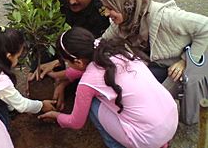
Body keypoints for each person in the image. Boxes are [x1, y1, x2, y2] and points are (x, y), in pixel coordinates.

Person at [39, 27, 178, 148]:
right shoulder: (115, 51)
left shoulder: (87, 83)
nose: (68, 65)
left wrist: (57, 116)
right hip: (171, 120)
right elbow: (83, 68)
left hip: (147, 138)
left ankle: (116, 145)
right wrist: (58, 76)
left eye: (67, 62)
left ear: (78, 61)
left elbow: (76, 122)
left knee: (94, 104)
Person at [99, 0, 208, 84]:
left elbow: (205, 26)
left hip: (176, 69)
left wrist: (185, 61)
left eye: (111, 8)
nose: (106, 13)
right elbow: (102, 42)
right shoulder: (123, 23)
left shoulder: (165, 17)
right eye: (105, 8)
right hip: (156, 67)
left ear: (127, 5)